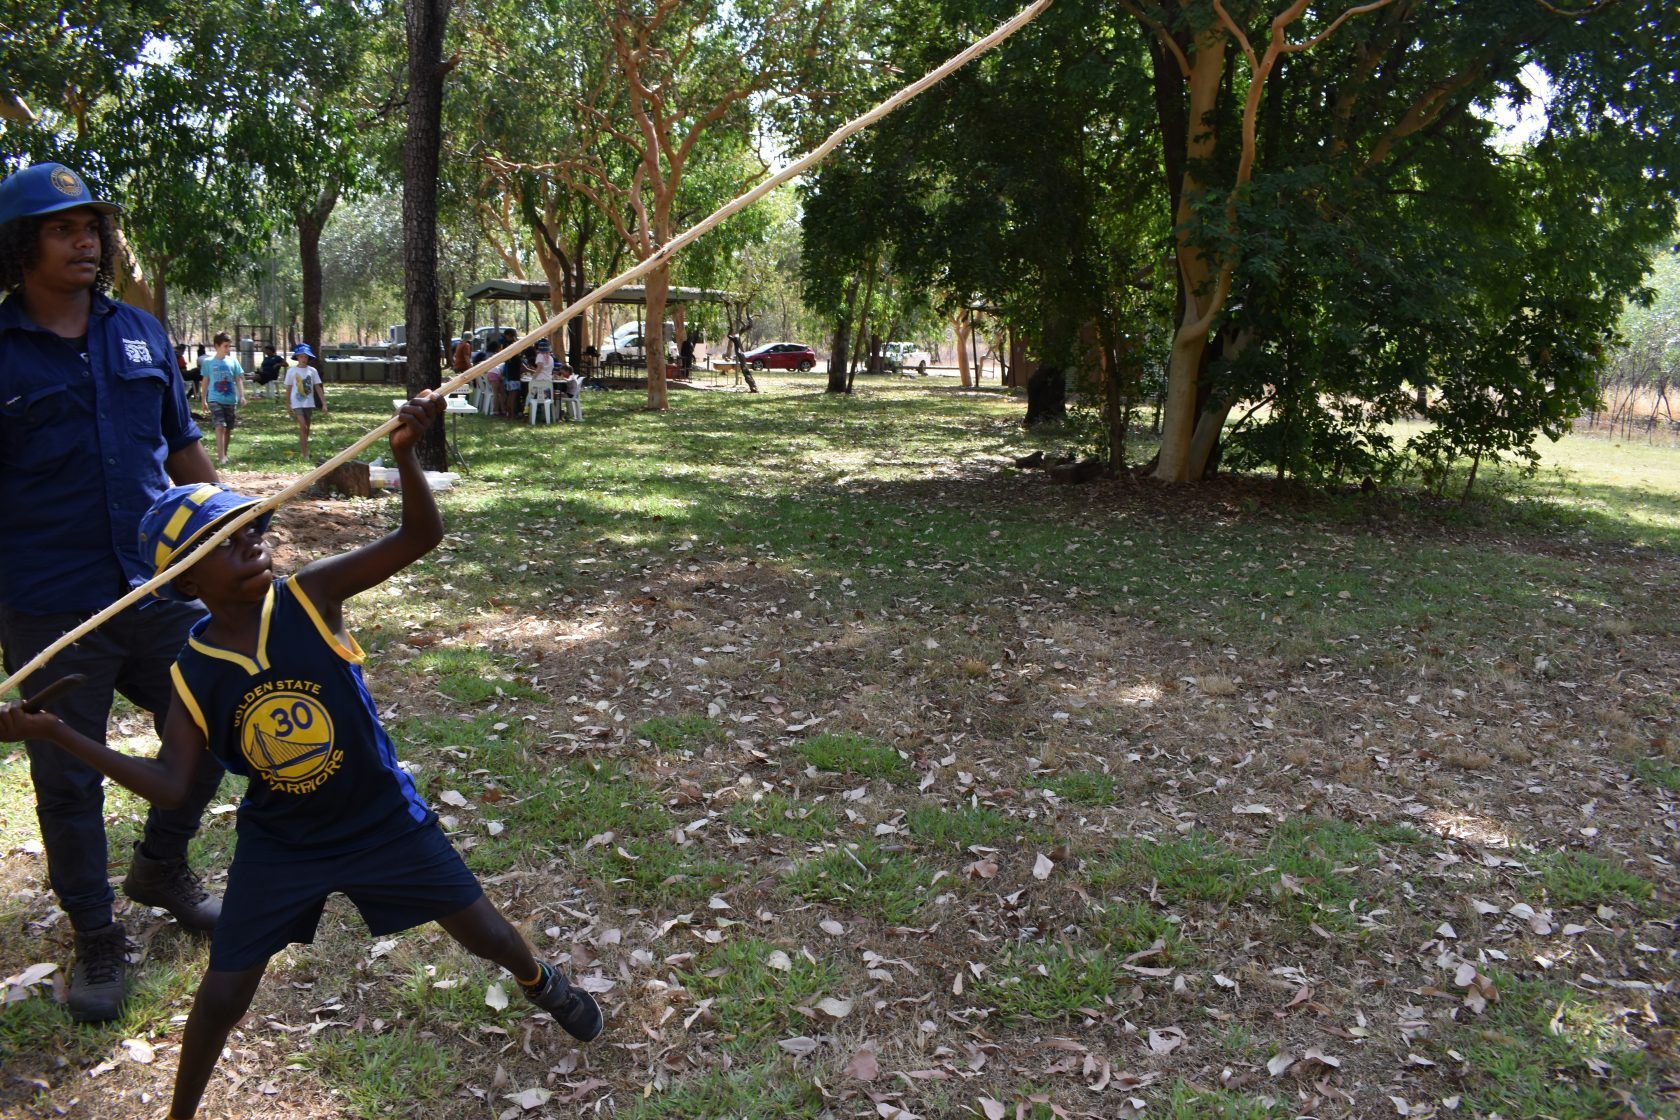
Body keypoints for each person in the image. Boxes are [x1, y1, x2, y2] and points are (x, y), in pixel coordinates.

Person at [0, 393, 604, 1118]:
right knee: (222, 992)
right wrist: (57, 732)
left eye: (255, 529)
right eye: (227, 541)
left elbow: (419, 534)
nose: (252, 543)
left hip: (382, 818)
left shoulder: (310, 597)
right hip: (282, 842)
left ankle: (540, 979)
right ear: (184, 582)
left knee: (486, 933)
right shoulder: (191, 670)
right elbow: (169, 787)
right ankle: (181, 1112)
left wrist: (407, 455)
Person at [0, 162, 225, 1023]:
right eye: (63, 228)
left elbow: (182, 449)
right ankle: (97, 935)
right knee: (66, 778)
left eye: (91, 224)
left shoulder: (140, 332)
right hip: (51, 602)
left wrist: (227, 527)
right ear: (23, 247)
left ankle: (162, 865)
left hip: (158, 585)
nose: (86, 240)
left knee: (219, 716)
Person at [200, 331, 245, 465]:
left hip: (230, 399)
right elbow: (205, 381)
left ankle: (224, 453)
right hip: (214, 399)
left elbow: (238, 379)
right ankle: (220, 456)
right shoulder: (208, 362)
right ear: (217, 346)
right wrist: (203, 399)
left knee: (228, 428)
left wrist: (242, 395)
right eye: (225, 346)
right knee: (220, 426)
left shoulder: (233, 361)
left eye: (229, 346)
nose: (228, 349)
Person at [283, 343, 322, 459]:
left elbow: (318, 387)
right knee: (303, 426)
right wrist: (288, 404)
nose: (303, 359)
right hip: (296, 403)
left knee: (307, 428)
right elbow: (289, 388)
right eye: (301, 356)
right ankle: (305, 454)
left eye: (305, 357)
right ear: (297, 357)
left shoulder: (312, 371)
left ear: (308, 358)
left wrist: (324, 403)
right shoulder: (291, 371)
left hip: (309, 403)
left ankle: (304, 448)